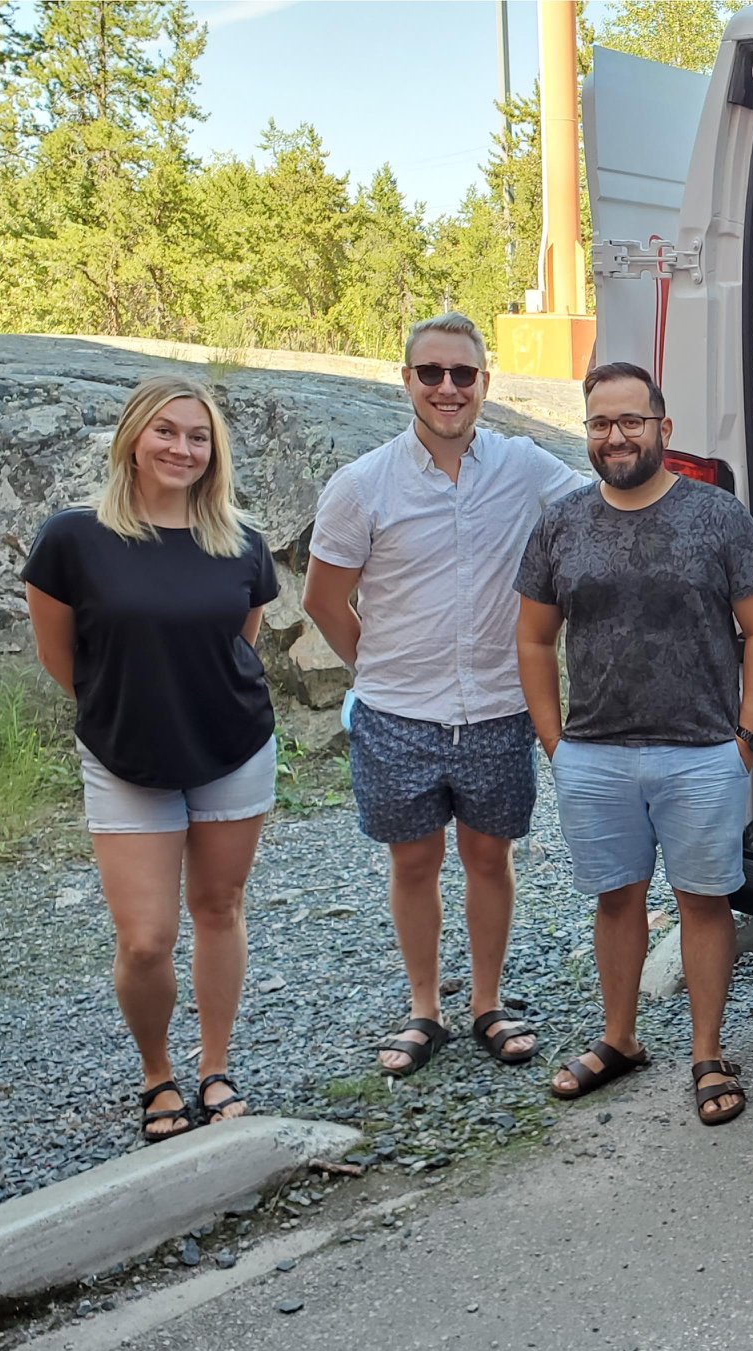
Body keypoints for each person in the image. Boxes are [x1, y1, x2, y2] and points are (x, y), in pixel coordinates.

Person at [302, 314, 589, 1078]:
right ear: (407, 381)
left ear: (485, 382)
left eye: (463, 374)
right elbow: (323, 600)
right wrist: (380, 668)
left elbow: (599, 513)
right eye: (431, 373)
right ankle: (425, 1008)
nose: (447, 388)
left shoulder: (525, 466)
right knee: (414, 864)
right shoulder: (363, 484)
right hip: (397, 716)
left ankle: (487, 1003)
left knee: (490, 859)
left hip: (497, 709)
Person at [515, 362, 753, 1126]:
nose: (616, 436)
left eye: (631, 420)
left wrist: (746, 738)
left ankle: (707, 1053)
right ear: (587, 432)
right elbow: (533, 639)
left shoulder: (718, 516)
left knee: (703, 903)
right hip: (595, 753)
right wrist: (555, 743)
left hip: (701, 751)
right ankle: (619, 1040)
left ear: (663, 428)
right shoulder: (562, 523)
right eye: (601, 422)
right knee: (616, 899)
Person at [23, 376, 280, 1141]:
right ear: (133, 438)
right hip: (123, 752)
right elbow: (59, 655)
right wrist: (126, 708)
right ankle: (157, 1073)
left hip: (232, 746)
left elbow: (239, 645)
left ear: (214, 451)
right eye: (166, 431)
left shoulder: (241, 540)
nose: (182, 448)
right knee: (144, 940)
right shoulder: (72, 539)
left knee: (219, 908)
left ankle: (215, 1066)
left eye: (198, 437)